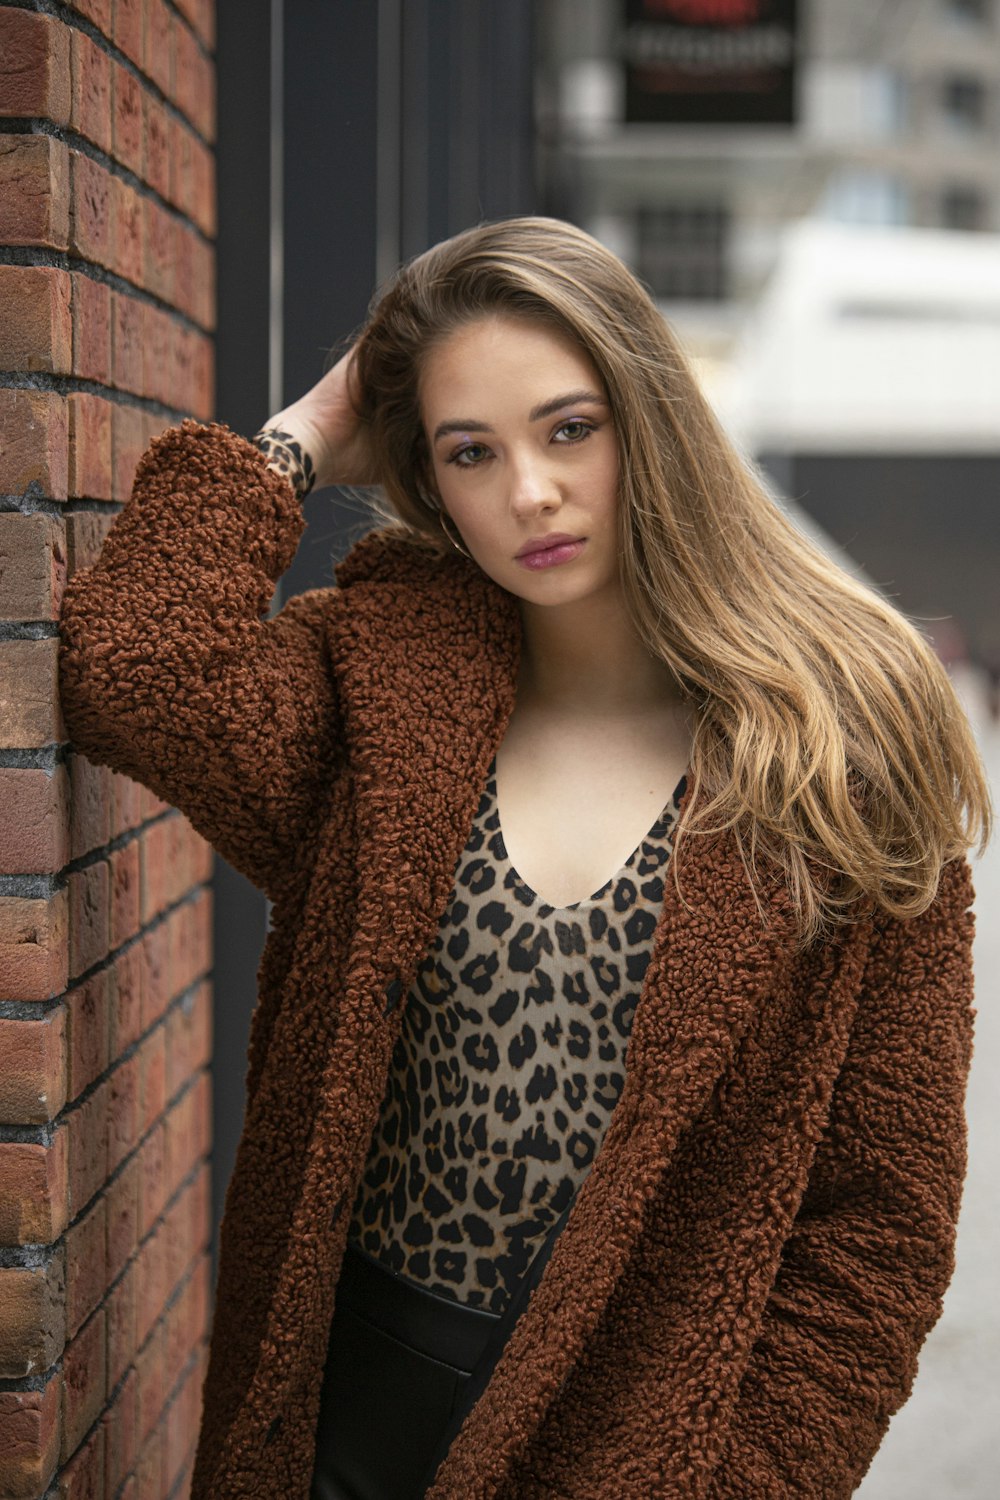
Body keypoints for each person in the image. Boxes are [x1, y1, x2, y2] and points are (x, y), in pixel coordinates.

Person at [57, 217, 991, 1500]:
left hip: (630, 1431)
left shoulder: (840, 741)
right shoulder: (386, 694)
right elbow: (140, 670)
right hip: (331, 1402)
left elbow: (878, 1228)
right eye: (469, 452)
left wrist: (739, 1480)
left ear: (648, 418)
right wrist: (312, 428)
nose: (529, 495)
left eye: (568, 430)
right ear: (426, 479)